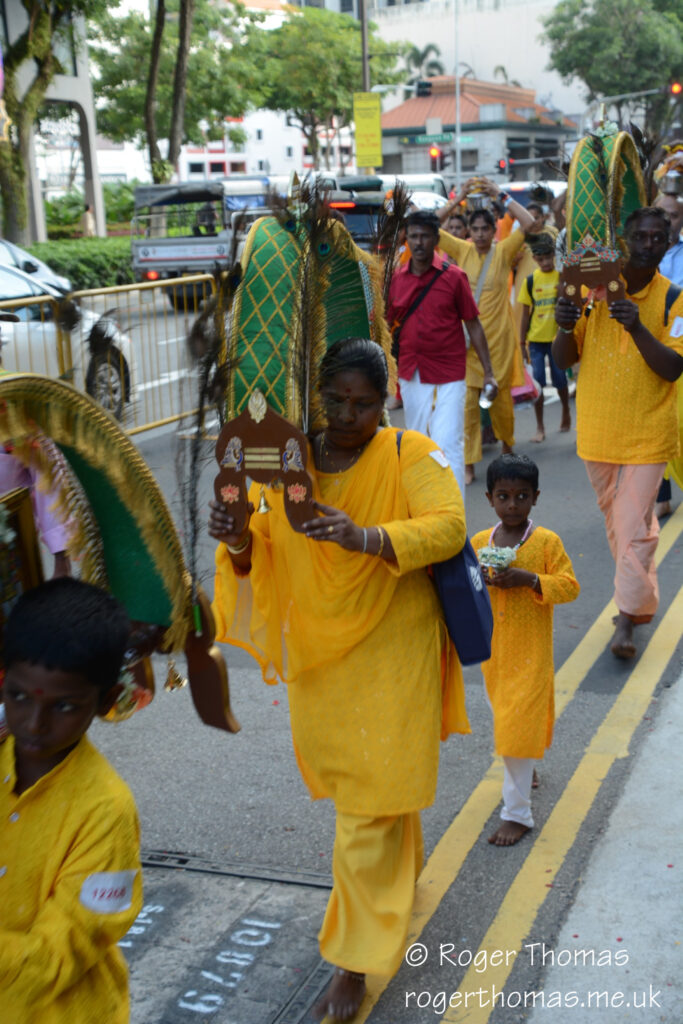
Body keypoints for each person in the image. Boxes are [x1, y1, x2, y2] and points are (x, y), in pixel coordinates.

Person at [209, 337, 470, 1022]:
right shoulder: (288, 464)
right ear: (316, 396)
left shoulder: (411, 453)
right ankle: (396, 883)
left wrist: (368, 538)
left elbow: (448, 527)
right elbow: (259, 551)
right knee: (376, 791)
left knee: (367, 804)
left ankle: (353, 961)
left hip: (396, 646)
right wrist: (235, 537)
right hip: (322, 658)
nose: (349, 416)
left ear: (386, 402)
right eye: (336, 401)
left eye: (364, 404)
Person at [1, 577, 142, 1023]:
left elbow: (62, 951)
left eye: (64, 706)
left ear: (106, 701)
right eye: (18, 697)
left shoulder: (106, 811)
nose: (34, 723)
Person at [553, 207, 683, 659]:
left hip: (650, 434)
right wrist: (564, 324)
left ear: (668, 242)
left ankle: (625, 619)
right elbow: (564, 358)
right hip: (598, 432)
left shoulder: (674, 299)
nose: (649, 244)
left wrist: (636, 325)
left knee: (630, 527)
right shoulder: (594, 290)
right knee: (627, 528)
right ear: (624, 241)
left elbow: (673, 368)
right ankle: (641, 602)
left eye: (658, 237)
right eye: (641, 236)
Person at [472, 454, 580, 846]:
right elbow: (467, 587)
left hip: (531, 655)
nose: (513, 505)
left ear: (535, 497)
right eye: (503, 496)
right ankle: (525, 761)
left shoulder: (547, 542)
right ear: (489, 498)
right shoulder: (479, 543)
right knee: (507, 720)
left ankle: (517, 815)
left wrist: (530, 579)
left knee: (515, 727)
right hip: (492, 655)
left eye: (522, 496)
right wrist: (482, 580)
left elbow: (569, 586)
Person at [386, 209, 496, 496]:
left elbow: (473, 324)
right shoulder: (396, 279)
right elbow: (385, 326)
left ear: (436, 240)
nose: (418, 242)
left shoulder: (454, 277)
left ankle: (455, 512)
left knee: (448, 442)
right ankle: (424, 505)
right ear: (407, 240)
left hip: (450, 373)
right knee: (418, 443)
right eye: (413, 236)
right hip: (411, 371)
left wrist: (489, 373)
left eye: (424, 236)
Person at [435, 181, 536, 485]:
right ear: (469, 231)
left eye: (485, 229)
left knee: (501, 404)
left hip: (499, 344)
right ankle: (469, 464)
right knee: (468, 406)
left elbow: (530, 223)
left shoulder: (503, 252)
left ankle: (507, 447)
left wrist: (499, 194)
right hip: (468, 343)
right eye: (475, 229)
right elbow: (429, 225)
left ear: (494, 231)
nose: (479, 234)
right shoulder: (462, 250)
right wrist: (459, 198)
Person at [517, 233, 571, 442]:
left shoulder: (562, 278)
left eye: (549, 257)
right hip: (536, 341)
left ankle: (566, 410)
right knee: (538, 382)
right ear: (534, 259)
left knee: (560, 380)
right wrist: (522, 343)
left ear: (554, 255)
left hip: (557, 340)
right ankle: (540, 426)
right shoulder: (530, 281)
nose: (546, 262)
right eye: (541, 259)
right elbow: (525, 315)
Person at [653, 189, 683, 517]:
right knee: (656, 421)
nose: (668, 222)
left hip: (680, 346)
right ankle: (661, 494)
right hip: (650, 345)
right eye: (663, 215)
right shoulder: (643, 255)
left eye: (674, 216)